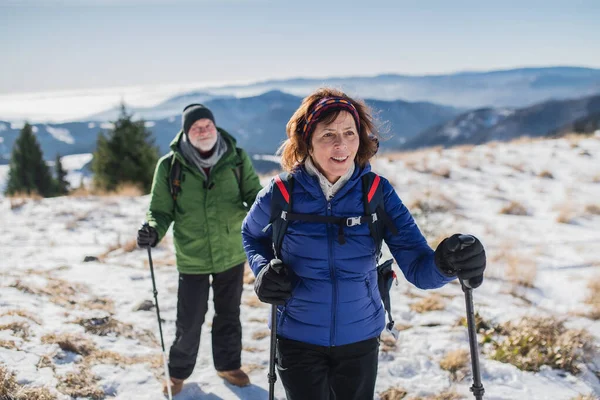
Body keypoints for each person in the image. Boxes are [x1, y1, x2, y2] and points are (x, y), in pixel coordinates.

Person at [241, 88, 486, 400]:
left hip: (359, 338)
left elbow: (418, 267)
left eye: (349, 132)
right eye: (328, 133)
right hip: (296, 336)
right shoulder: (280, 193)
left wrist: (448, 263)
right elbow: (251, 236)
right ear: (307, 140)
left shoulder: (377, 194)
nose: (341, 144)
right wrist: (262, 271)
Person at [137, 104, 263, 396]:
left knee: (229, 314)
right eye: (196, 127)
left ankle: (228, 365)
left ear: (215, 127)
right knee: (190, 320)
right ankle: (178, 372)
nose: (203, 131)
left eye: (207, 125)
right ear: (186, 132)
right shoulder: (170, 166)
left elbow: (254, 197)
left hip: (231, 251)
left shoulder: (237, 159)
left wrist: (270, 214)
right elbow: (160, 209)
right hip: (192, 255)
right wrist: (153, 230)